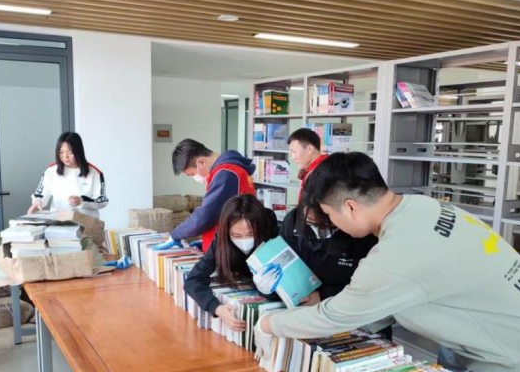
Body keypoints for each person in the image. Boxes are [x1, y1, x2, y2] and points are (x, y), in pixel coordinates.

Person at [255, 152, 520, 372]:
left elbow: (335, 317)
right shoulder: (421, 206)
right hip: (484, 341)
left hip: (518, 358)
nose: (331, 224)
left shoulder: (396, 252)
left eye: (329, 215)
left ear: (350, 207)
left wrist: (269, 324)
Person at [252, 198, 378, 307]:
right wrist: (268, 289)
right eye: (308, 220)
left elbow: (371, 288)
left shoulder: (360, 232)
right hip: (300, 309)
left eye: (322, 224)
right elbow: (283, 274)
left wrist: (324, 296)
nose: (314, 228)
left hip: (344, 310)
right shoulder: (293, 220)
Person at [184, 195, 278, 332]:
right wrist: (217, 308)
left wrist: (268, 291)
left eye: (251, 234)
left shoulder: (275, 238)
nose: (244, 241)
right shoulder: (221, 241)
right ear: (226, 232)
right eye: (236, 236)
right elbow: (193, 280)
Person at [155, 139, 256, 252]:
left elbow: (206, 215)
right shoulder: (233, 170)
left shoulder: (226, 174)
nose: (195, 178)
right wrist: (207, 240)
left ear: (201, 162)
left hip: (231, 249)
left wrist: (176, 235)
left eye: (192, 174)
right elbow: (223, 212)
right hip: (231, 242)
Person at [28, 132, 108, 218]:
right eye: (61, 152)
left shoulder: (95, 173)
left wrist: (81, 201)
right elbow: (42, 193)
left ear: (79, 151)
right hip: (58, 221)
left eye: (70, 152)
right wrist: (37, 202)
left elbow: (102, 201)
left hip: (86, 222)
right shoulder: (51, 171)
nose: (65, 157)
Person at [288, 127, 328, 201]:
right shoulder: (313, 169)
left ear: (310, 149)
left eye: (294, 151)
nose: (293, 157)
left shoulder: (321, 173)